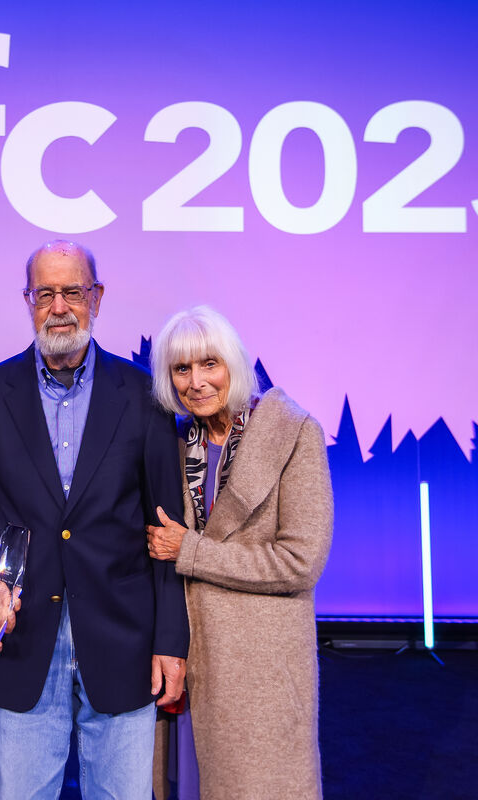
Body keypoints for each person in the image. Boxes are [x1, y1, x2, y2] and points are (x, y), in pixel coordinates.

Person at [0, 240, 190, 799]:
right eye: (45, 293)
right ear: (29, 301)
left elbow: (168, 527)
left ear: (97, 298)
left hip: (123, 641)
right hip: (21, 636)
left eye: (73, 292)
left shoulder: (146, 395)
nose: (60, 307)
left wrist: (171, 641)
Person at [146, 305, 334, 800]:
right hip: (188, 656)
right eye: (181, 369)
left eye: (210, 364)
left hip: (261, 668)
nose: (196, 381)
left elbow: (301, 561)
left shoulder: (293, 434)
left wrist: (191, 552)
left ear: (234, 363)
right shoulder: (176, 440)